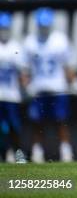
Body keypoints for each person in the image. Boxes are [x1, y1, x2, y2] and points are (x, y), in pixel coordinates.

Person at [24, 8, 75, 163]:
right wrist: (26, 86)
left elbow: (68, 66)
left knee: (61, 121)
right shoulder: (30, 42)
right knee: (37, 123)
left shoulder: (60, 40)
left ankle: (66, 152)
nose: (44, 28)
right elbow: (25, 70)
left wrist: (73, 80)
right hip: (38, 89)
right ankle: (37, 153)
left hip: (58, 89)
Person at [0, 12, 27, 163]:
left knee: (14, 127)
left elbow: (23, 72)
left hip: (12, 95)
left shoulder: (16, 47)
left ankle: (19, 156)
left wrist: (25, 86)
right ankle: (4, 154)